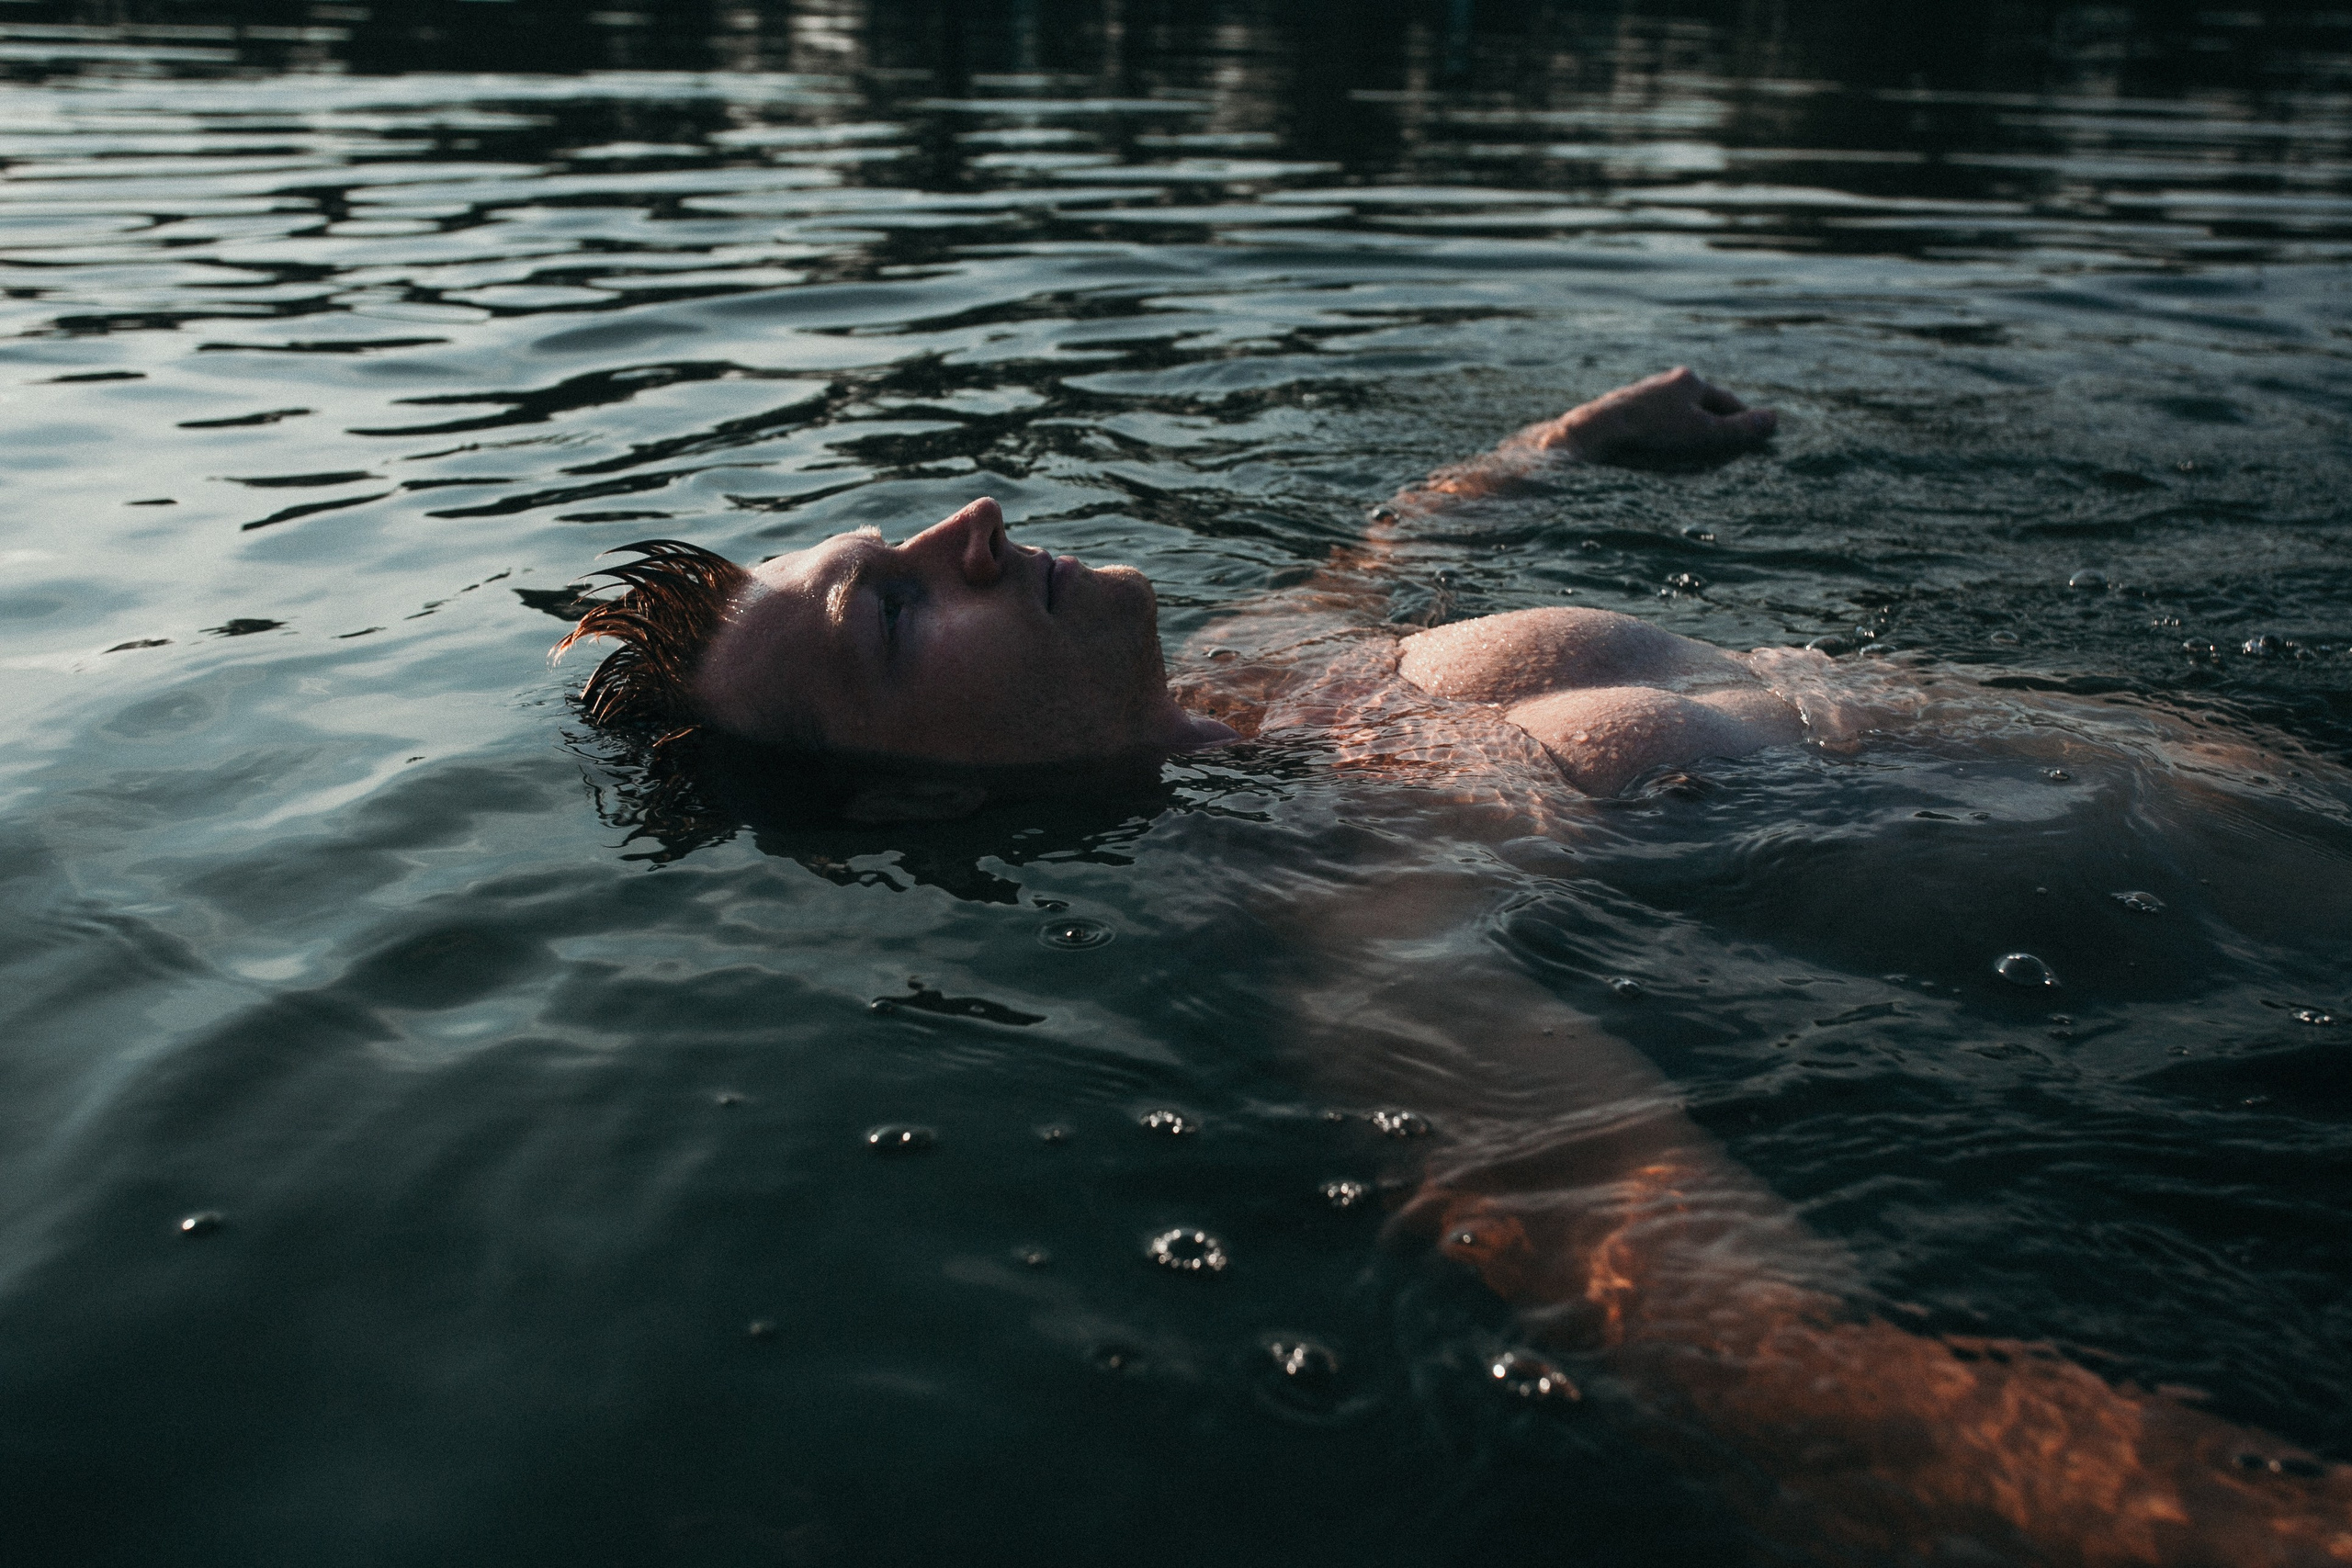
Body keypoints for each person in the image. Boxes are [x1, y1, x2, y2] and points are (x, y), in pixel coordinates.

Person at [556, 369, 2352, 1565]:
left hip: (2270, 812)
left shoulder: (1270, 658)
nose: (962, 519)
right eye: (890, 608)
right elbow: (1749, 1343)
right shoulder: (1354, 922)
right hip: (2235, 960)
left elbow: (1389, 544)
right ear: (905, 788)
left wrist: (1567, 440)